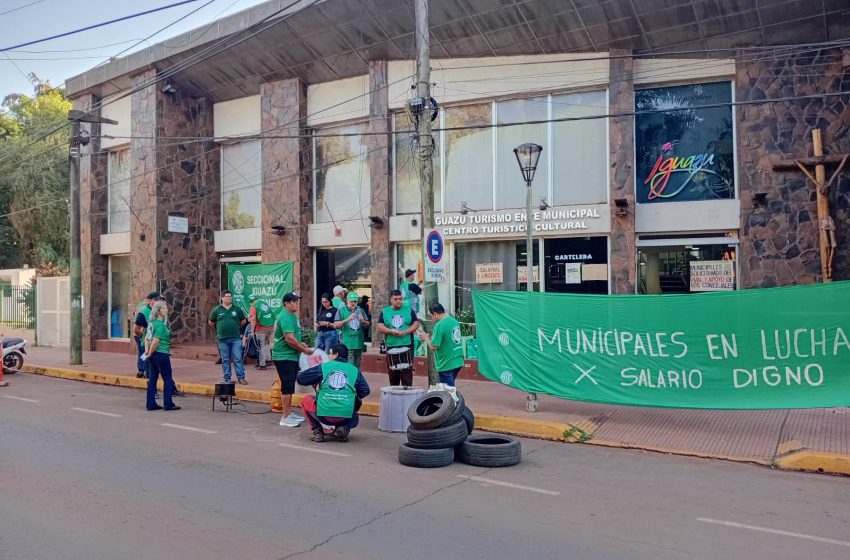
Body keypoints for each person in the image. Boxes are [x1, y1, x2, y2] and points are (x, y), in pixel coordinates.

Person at [297, 343, 370, 442]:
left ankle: (317, 432)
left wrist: (316, 379)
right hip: (346, 416)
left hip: (324, 415)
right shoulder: (354, 370)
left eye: (330, 353)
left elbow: (301, 379)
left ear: (336, 354)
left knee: (306, 400)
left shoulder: (324, 367)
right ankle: (344, 427)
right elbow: (365, 390)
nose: (328, 356)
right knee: (355, 401)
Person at [272, 292, 313, 428]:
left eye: (297, 301)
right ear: (286, 303)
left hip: (291, 356)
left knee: (289, 386)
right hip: (284, 356)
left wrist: (302, 345)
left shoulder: (292, 316)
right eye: (294, 301)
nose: (297, 303)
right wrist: (304, 350)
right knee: (287, 387)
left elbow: (295, 337)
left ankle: (289, 413)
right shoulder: (285, 316)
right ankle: (285, 417)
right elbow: (289, 339)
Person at [376, 289, 421, 386]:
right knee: (393, 371)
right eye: (396, 299)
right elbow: (380, 326)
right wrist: (390, 331)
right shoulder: (385, 311)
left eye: (400, 299)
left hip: (407, 343)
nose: (398, 301)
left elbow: (416, 323)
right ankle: (394, 390)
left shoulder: (408, 309)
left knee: (407, 370)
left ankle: (407, 391)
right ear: (391, 300)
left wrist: (406, 332)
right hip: (392, 344)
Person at [143, 300, 180, 411]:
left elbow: (146, 338)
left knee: (153, 379)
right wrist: (149, 353)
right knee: (167, 378)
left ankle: (151, 403)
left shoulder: (152, 323)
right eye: (164, 308)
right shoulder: (160, 325)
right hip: (161, 354)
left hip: (153, 355)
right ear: (159, 311)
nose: (166, 310)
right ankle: (168, 403)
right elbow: (155, 341)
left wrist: (147, 352)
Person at [419, 302, 465, 386]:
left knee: (447, 392)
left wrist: (426, 338)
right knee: (450, 388)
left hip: (446, 363)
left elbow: (434, 347)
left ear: (435, 314)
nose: (432, 318)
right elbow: (447, 338)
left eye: (431, 316)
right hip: (458, 360)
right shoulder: (454, 321)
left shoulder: (439, 325)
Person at [209, 290, 248, 384]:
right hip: (222, 339)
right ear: (222, 298)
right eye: (227, 296)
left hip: (235, 338)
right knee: (225, 359)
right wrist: (219, 329)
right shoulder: (217, 310)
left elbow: (243, 321)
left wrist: (235, 327)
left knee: (238, 358)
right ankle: (227, 378)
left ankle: (241, 377)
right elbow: (211, 322)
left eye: (230, 296)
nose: (229, 298)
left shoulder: (237, 309)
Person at [337, 291, 369, 367]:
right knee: (350, 366)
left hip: (358, 343)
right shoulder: (342, 310)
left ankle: (355, 378)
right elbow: (336, 325)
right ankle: (351, 378)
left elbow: (367, 325)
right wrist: (347, 319)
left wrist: (363, 321)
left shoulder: (360, 310)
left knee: (357, 366)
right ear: (347, 300)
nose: (353, 303)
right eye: (351, 301)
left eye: (355, 301)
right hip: (347, 343)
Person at [133, 292, 158, 379]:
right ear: (150, 300)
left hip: (141, 333)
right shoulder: (144, 308)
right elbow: (138, 326)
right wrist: (142, 336)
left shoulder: (141, 305)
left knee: (143, 352)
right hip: (140, 333)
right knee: (144, 351)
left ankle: (142, 370)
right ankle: (143, 370)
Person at [248, 295, 274, 370]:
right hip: (270, 327)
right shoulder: (264, 303)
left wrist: (252, 331)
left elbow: (253, 320)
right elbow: (272, 315)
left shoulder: (253, 307)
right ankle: (268, 360)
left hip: (261, 329)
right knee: (266, 343)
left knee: (261, 346)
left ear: (252, 301)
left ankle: (262, 365)